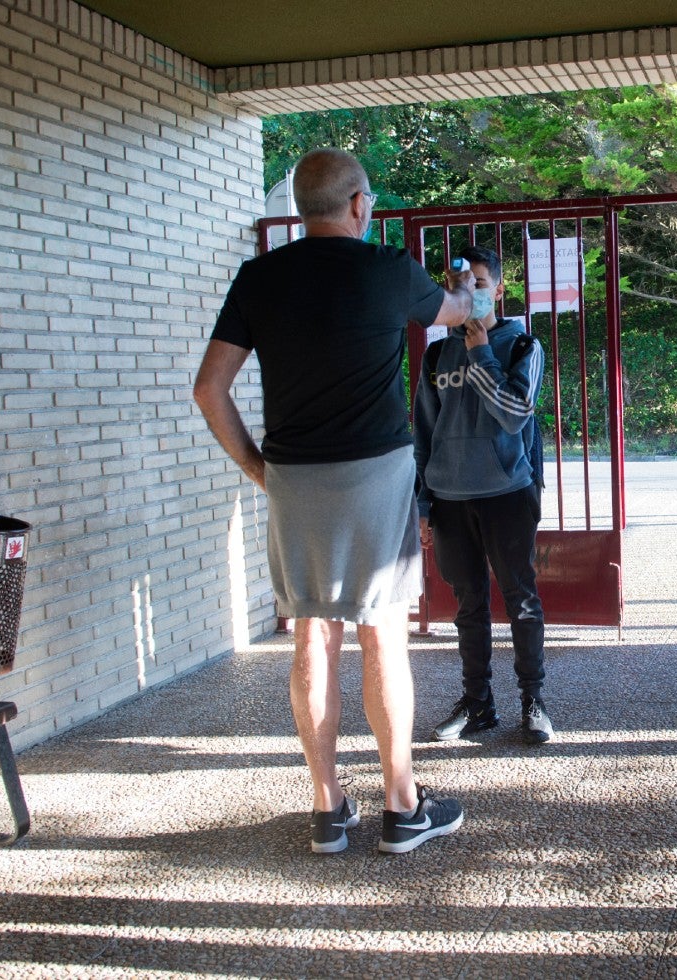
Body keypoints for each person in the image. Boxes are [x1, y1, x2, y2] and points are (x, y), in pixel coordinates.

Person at [193, 148, 473, 856]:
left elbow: (209, 388)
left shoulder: (259, 277)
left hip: (294, 478)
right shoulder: (389, 269)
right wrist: (470, 291)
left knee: (312, 637)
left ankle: (328, 810)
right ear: (357, 205)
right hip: (377, 474)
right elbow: (455, 312)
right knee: (383, 635)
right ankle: (402, 808)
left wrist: (259, 469)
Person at [414, 245, 553, 746]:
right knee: (468, 607)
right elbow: (424, 434)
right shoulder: (436, 354)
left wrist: (480, 353)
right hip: (450, 498)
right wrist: (423, 505)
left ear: (498, 290)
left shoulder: (522, 346)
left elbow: (514, 415)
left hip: (507, 493)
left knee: (521, 600)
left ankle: (533, 701)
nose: (469, 291)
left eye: (478, 283)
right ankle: (477, 703)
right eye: (459, 284)